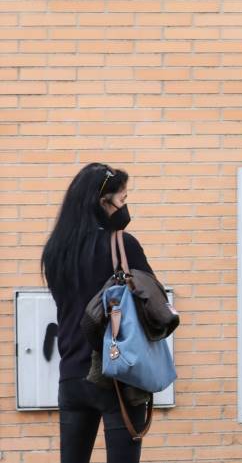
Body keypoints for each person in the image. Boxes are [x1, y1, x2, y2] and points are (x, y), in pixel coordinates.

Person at [42, 163, 152, 463]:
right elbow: (154, 305)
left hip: (72, 377)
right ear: (104, 202)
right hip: (118, 375)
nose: (126, 208)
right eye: (123, 200)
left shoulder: (55, 251)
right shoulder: (122, 244)